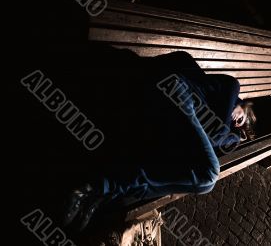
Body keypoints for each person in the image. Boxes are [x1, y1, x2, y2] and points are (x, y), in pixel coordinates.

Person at [61, 50, 257, 231]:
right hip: (175, 89)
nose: (236, 120)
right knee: (209, 173)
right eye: (241, 117)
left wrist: (235, 135)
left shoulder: (218, 117)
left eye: (238, 124)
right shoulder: (233, 87)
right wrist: (234, 133)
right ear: (244, 106)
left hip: (173, 112)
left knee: (204, 181)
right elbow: (218, 133)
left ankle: (102, 192)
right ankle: (100, 187)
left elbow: (213, 139)